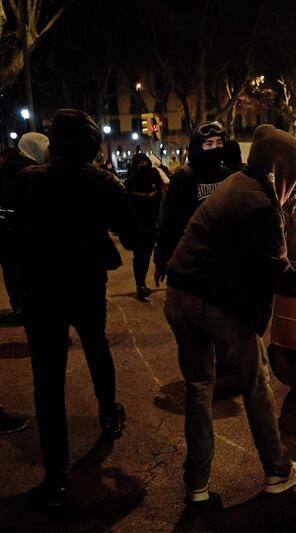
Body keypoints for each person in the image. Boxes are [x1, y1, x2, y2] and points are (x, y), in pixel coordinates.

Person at [164, 124, 296, 503]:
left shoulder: (241, 183)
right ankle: (278, 471)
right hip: (216, 303)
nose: (295, 180)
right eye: (295, 172)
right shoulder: (260, 205)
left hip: (180, 293)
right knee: (256, 386)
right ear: (281, 168)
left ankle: (197, 484)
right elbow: (277, 272)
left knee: (199, 388)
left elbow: (293, 234)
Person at [8, 109, 140, 509]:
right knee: (96, 347)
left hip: (41, 290)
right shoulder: (103, 183)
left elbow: (13, 234)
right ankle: (108, 415)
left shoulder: (27, 182)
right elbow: (132, 235)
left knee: (47, 382)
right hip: (85, 285)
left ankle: (56, 478)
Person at [153, 121, 230, 286]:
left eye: (219, 143)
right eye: (208, 144)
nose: (215, 148)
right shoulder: (184, 177)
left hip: (222, 259)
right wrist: (162, 260)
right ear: (197, 146)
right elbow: (170, 222)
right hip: (192, 260)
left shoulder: (226, 175)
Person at [0, 133, 49, 321]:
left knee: (16, 272)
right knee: (25, 274)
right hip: (21, 232)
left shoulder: (13, 169)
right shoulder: (27, 171)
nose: (48, 153)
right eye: (45, 148)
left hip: (14, 231)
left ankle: (20, 305)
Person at [125, 153, 163, 301]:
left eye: (145, 164)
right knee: (139, 256)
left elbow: (160, 202)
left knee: (146, 256)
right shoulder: (130, 184)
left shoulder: (154, 180)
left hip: (151, 226)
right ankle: (140, 284)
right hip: (137, 227)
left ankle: (141, 283)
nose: (144, 168)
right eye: (140, 165)